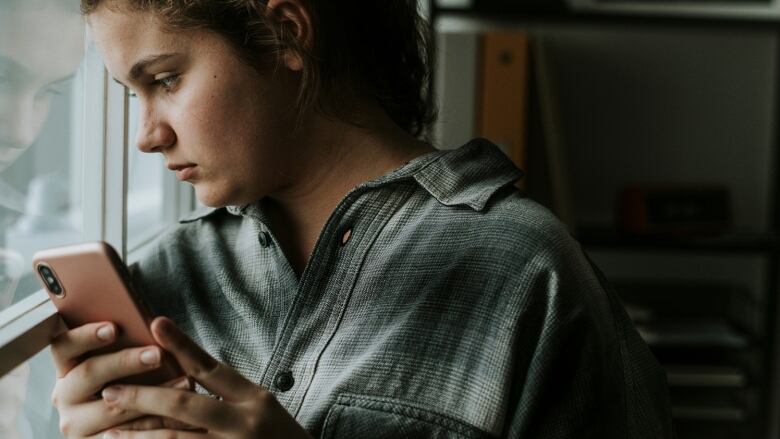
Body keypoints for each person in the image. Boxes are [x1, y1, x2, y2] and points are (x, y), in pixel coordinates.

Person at [50, 0, 674, 438]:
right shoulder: (162, 280)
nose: (146, 136)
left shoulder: (526, 272)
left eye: (165, 79)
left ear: (286, 34)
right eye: (133, 94)